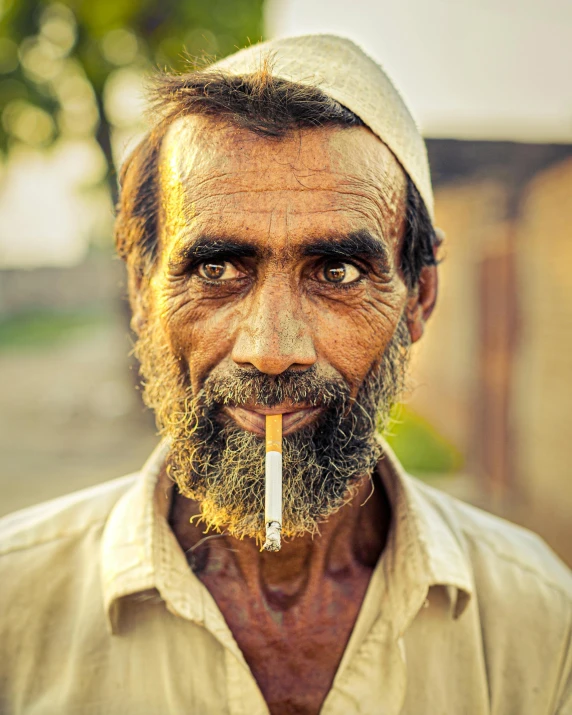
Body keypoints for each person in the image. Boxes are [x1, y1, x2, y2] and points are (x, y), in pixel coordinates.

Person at [0, 34, 570, 715]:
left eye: (337, 271)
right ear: (141, 289)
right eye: (216, 268)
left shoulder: (536, 617)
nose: (271, 350)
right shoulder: (16, 605)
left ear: (419, 297)